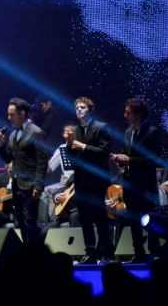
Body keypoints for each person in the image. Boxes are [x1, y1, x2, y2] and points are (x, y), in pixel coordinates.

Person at [111, 98, 164, 263]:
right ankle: (138, 253)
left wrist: (129, 160)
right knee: (133, 219)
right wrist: (121, 161)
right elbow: (127, 154)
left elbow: (153, 160)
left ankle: (155, 253)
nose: (125, 115)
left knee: (151, 219)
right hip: (130, 183)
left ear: (138, 114)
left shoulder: (152, 132)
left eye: (128, 112)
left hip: (146, 184)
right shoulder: (128, 132)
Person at [0, 98, 48, 244]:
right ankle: (27, 256)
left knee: (30, 222)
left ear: (22, 114)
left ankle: (36, 257)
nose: (9, 118)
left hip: (30, 185)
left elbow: (42, 161)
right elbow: (8, 158)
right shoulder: (13, 135)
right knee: (21, 223)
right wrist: (0, 145)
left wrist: (38, 186)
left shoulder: (36, 132)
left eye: (12, 115)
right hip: (17, 185)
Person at [66, 97, 113, 263]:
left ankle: (107, 253)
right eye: (77, 107)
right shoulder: (75, 131)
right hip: (81, 181)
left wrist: (82, 146)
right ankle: (91, 252)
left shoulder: (101, 127)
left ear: (90, 110)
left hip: (97, 180)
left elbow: (104, 152)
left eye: (83, 107)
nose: (79, 110)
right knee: (84, 218)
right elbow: (72, 158)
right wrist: (69, 144)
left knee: (100, 217)